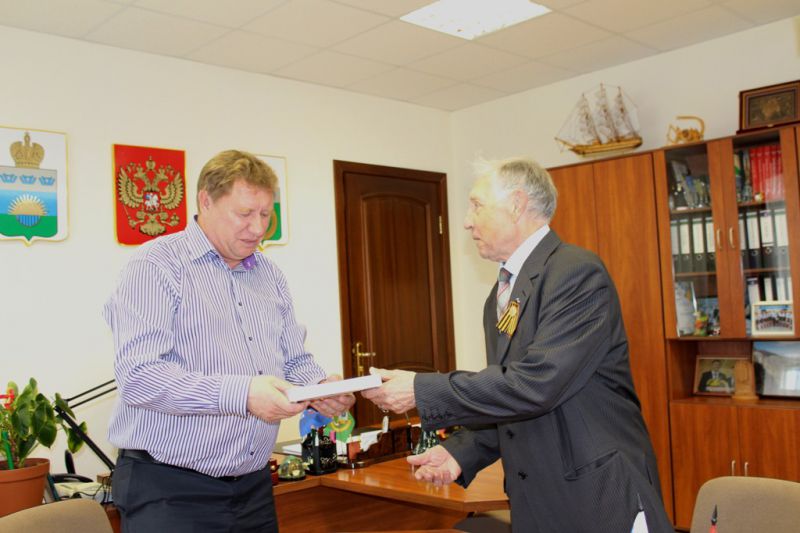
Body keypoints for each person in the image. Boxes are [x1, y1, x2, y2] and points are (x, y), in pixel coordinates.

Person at [362, 157, 673, 532]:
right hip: (539, 500)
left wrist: (420, 389)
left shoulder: (575, 272)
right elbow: (508, 401)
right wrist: (460, 452)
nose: (467, 221)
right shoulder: (500, 294)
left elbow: (536, 385)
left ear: (516, 204)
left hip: (597, 495)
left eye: (477, 205)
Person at [104, 150, 354, 532]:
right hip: (170, 489)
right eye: (245, 213)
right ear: (205, 201)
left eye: (266, 215)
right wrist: (243, 394)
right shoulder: (155, 266)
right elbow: (140, 377)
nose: (258, 228)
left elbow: (293, 360)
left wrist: (320, 387)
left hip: (253, 486)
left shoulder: (270, 275)